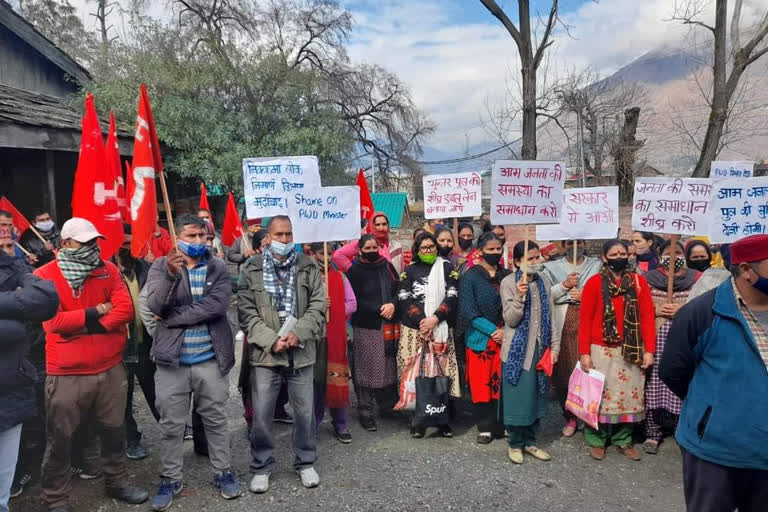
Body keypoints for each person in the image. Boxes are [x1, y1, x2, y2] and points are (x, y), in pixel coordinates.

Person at [34, 218, 148, 511]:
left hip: (110, 368)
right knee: (60, 438)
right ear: (66, 244)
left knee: (114, 431)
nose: (92, 248)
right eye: (85, 243)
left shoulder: (108, 270)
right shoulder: (44, 275)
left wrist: (84, 325)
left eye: (94, 241)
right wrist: (97, 311)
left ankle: (117, 483)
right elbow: (54, 323)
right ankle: (55, 498)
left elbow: (124, 311)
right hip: (67, 373)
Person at [661, 234, 768, 512]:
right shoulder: (701, 313)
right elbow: (673, 371)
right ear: (747, 270)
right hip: (714, 452)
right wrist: (713, 406)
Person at [144, 214, 241, 511]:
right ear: (178, 237)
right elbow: (155, 305)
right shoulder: (161, 266)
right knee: (171, 425)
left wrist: (172, 319)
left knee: (215, 419)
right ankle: (171, 478)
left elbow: (216, 306)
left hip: (210, 359)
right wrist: (172, 277)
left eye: (203, 235)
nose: (199, 241)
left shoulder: (218, 267)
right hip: (172, 362)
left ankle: (223, 472)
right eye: (192, 235)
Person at [238, 216, 325, 493]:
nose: (285, 240)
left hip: (301, 352)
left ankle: (305, 461)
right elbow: (246, 312)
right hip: (266, 355)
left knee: (304, 413)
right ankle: (262, 466)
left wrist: (299, 332)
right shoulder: (250, 268)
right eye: (280, 234)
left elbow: (318, 305)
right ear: (268, 236)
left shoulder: (308, 265)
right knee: (262, 415)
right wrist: (270, 340)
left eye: (289, 235)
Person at [578, 239, 656, 461]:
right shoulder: (594, 283)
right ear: (604, 258)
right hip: (600, 349)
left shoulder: (638, 283)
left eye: (623, 253)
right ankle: (597, 439)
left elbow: (648, 317)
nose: (619, 257)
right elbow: (585, 320)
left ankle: (624, 439)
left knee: (629, 396)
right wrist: (584, 352)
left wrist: (649, 350)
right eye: (614, 254)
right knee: (599, 395)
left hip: (630, 348)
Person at [0, 226, 58, 512]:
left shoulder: (11, 266)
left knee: (2, 494)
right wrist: (14, 310)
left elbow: (45, 298)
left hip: (10, 395)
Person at [500, 241, 559, 463]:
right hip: (517, 352)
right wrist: (519, 296)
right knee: (518, 398)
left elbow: (551, 317)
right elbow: (511, 320)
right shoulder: (508, 282)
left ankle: (531, 442)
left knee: (537, 396)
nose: (537, 262)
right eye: (531, 259)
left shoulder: (543, 281)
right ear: (517, 262)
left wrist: (554, 347)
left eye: (538, 258)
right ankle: (515, 443)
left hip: (541, 349)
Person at [397, 232, 460, 438]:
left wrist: (434, 319)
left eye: (431, 246)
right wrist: (422, 323)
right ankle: (418, 420)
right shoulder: (409, 271)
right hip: (414, 331)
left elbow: (452, 295)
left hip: (440, 328)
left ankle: (442, 420)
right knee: (415, 374)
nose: (429, 250)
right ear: (417, 250)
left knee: (441, 373)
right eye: (424, 247)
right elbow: (404, 297)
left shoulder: (448, 268)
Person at [640, 239, 700, 454]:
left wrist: (681, 311)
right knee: (653, 385)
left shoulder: (696, 279)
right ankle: (652, 432)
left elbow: (701, 308)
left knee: (682, 384)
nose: (673, 256)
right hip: (655, 342)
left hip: (684, 344)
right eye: (668, 252)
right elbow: (637, 307)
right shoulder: (648, 279)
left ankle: (681, 429)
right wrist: (656, 310)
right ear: (659, 254)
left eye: (678, 252)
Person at [540, 239, 602, 437]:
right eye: (568, 243)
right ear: (562, 245)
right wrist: (565, 285)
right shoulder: (550, 268)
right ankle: (570, 417)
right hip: (564, 321)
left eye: (580, 242)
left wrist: (587, 295)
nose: (574, 246)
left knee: (588, 369)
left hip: (588, 320)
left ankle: (588, 415)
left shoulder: (596, 265)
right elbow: (545, 296)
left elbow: (604, 292)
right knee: (565, 373)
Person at [457, 233, 510, 444]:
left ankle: (503, 425)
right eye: (491, 249)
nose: (495, 253)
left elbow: (516, 305)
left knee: (503, 383)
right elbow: (468, 310)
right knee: (481, 385)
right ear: (480, 251)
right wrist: (492, 331)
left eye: (499, 249)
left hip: (505, 337)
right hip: (480, 338)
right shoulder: (470, 276)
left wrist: (505, 329)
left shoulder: (508, 275)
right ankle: (485, 427)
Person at [345, 235, 400, 432]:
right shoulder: (354, 270)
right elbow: (353, 299)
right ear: (359, 250)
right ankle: (365, 411)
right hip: (366, 325)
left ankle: (387, 406)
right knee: (366, 368)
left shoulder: (387, 266)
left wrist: (393, 304)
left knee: (387, 366)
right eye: (367, 247)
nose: (372, 250)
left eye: (374, 247)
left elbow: (398, 288)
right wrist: (379, 308)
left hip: (388, 323)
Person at [115, 224, 159, 460]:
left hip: (145, 343)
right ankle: (132, 440)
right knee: (123, 399)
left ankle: (172, 431)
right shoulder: (107, 271)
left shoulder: (147, 269)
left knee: (156, 391)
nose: (126, 249)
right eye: (122, 244)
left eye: (130, 244)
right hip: (118, 348)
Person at [306, 243, 356, 443]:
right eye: (321, 253)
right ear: (312, 253)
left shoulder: (340, 277)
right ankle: (314, 422)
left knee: (338, 378)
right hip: (313, 338)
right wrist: (318, 305)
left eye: (328, 254)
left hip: (336, 337)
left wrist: (334, 307)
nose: (325, 258)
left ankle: (340, 423)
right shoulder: (306, 277)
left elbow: (352, 303)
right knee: (315, 382)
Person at [333, 212, 403, 273]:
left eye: (384, 224)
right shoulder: (364, 242)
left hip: (393, 286)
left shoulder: (396, 246)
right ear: (372, 226)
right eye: (378, 225)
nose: (381, 228)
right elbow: (338, 255)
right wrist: (352, 270)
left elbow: (401, 270)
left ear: (388, 226)